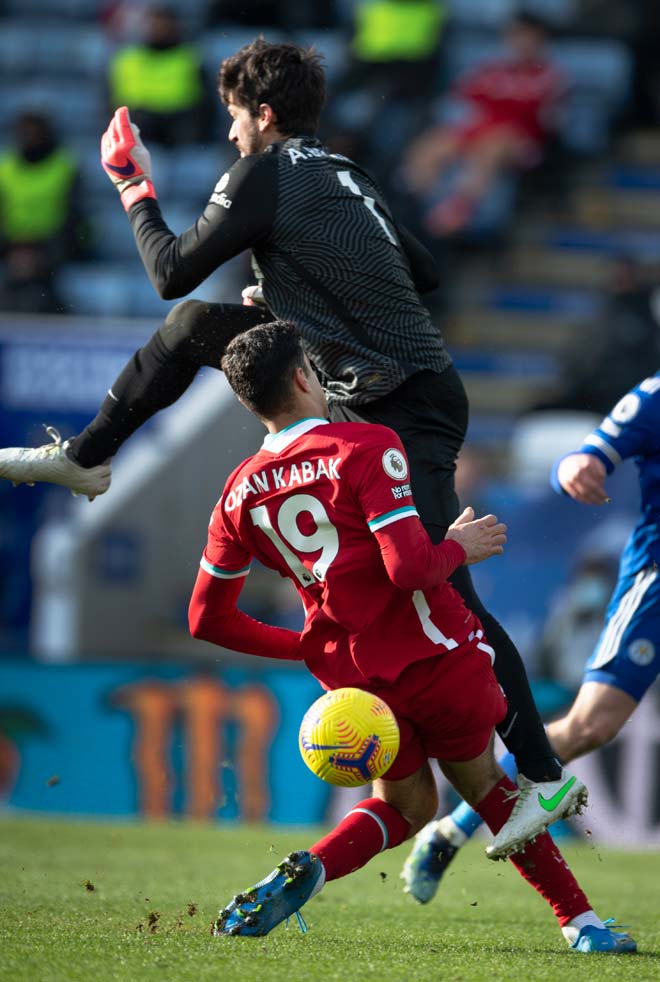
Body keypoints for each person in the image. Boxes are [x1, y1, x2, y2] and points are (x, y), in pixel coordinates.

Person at [0, 39, 581, 856]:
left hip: (402, 401)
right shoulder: (346, 172)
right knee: (197, 328)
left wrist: (133, 184)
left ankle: (546, 774)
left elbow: (170, 267)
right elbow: (423, 269)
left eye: (236, 118)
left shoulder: (262, 173)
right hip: (390, 380)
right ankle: (90, 456)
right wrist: (288, 287)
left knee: (449, 589)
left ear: (263, 115)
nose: (231, 134)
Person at [188, 320, 633, 952]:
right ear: (302, 376)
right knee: (485, 785)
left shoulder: (235, 493)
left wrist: (305, 647)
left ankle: (311, 868)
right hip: (431, 653)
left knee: (403, 806)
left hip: (353, 681)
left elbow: (207, 619)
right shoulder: (366, 446)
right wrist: (457, 545)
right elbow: (408, 569)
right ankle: (582, 926)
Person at [402, 372, 660, 906]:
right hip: (655, 583)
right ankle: (453, 829)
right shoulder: (655, 395)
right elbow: (588, 453)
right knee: (592, 724)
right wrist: (579, 466)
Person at [400, 11, 565, 235]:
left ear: (540, 41)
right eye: (516, 36)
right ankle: (410, 205)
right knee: (433, 143)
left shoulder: (550, 76)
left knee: (492, 145)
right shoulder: (490, 70)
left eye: (528, 37)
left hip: (522, 142)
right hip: (480, 130)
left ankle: (458, 208)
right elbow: (461, 101)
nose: (521, 43)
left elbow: (548, 122)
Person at [0, 111, 85, 313]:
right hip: (11, 246)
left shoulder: (65, 166)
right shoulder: (5, 168)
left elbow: (75, 215)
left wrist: (41, 253)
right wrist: (13, 249)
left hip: (53, 246)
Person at [106, 5, 215, 146]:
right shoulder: (126, 59)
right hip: (139, 128)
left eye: (165, 24)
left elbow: (205, 104)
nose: (160, 29)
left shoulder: (191, 58)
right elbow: (110, 102)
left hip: (179, 129)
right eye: (155, 24)